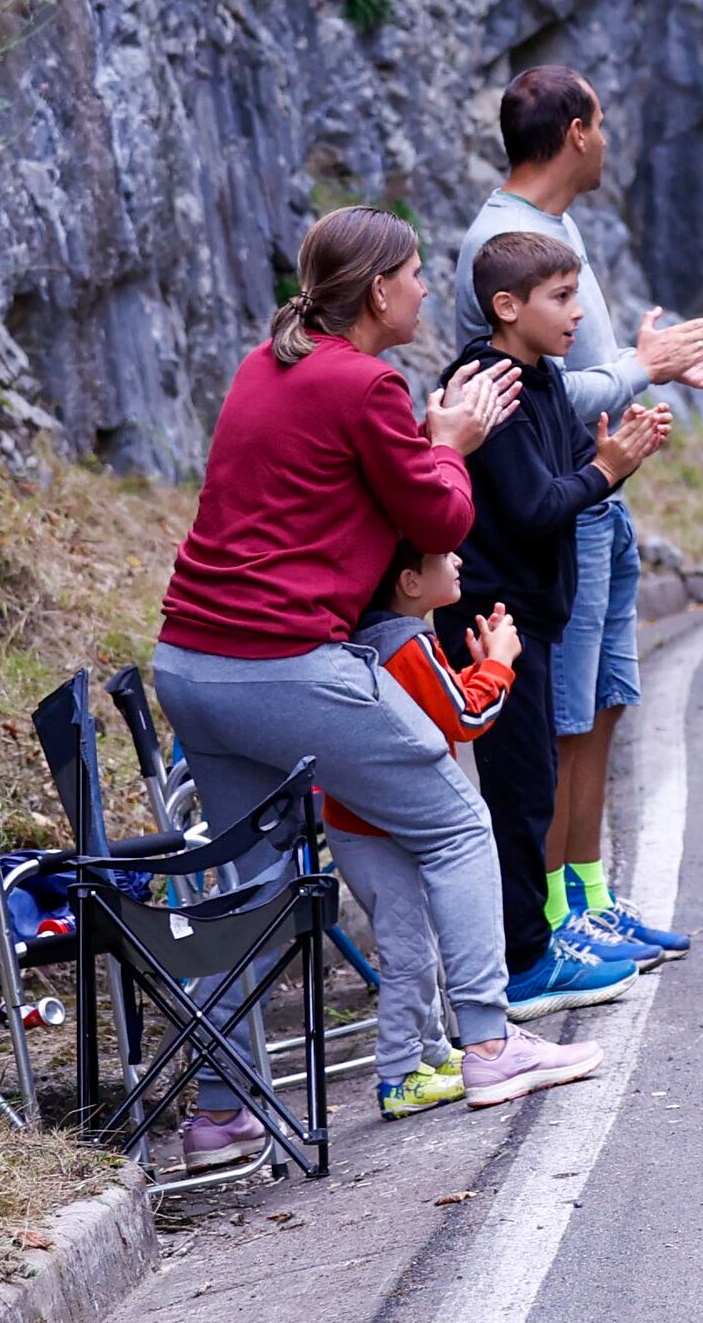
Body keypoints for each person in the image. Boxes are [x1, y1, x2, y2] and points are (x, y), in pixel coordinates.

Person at [148, 209, 594, 1122]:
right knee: (459, 827)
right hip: (283, 661)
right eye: (418, 273)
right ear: (380, 289)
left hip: (190, 660)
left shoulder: (263, 361)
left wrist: (430, 446)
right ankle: (489, 1043)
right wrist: (452, 443)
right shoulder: (365, 385)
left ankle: (222, 1112)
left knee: (253, 884)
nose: (429, 288)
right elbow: (440, 522)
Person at [450, 67, 703, 971]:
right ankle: (548, 926)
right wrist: (643, 367)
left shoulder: (555, 229)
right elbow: (535, 393)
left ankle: (591, 895)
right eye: (603, 123)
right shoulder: (504, 239)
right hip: (560, 504)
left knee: (604, 702)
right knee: (556, 726)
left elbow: (585, 370)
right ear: (576, 132)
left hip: (597, 495)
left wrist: (660, 366)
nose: (607, 140)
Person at [450, 228, 676, 1018]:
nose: (578, 313)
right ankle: (522, 966)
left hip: (532, 614)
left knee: (534, 781)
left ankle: (541, 943)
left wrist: (613, 456)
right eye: (561, 297)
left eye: (576, 294)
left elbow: (562, 476)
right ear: (507, 306)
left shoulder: (540, 378)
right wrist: (607, 471)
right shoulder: (491, 383)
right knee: (518, 792)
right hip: (495, 618)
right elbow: (533, 505)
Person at [328, 550, 604, 1116]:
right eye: (440, 556)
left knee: (412, 944)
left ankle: (423, 1060)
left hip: (361, 823)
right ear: (409, 581)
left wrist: (476, 670)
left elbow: (443, 704)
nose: (457, 559)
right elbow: (466, 719)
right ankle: (401, 1075)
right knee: (408, 950)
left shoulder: (379, 637)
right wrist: (501, 663)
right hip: (381, 830)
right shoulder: (408, 644)